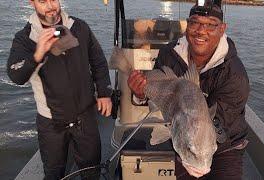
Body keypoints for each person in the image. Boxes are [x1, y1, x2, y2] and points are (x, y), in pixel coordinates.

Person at [127, 0, 250, 179]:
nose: (201, 30)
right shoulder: (169, 53)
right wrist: (139, 94)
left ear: (222, 29)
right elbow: (160, 95)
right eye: (195, 23)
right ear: (187, 26)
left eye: (210, 25)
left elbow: (217, 127)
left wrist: (193, 147)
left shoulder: (235, 75)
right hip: (185, 140)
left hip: (227, 145)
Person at [7, 0, 112, 179]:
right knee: (53, 172)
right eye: (42, 1)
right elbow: (15, 75)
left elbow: (98, 61)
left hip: (85, 116)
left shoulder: (80, 27)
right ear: (31, 2)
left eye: (53, 0)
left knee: (91, 171)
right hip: (50, 123)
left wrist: (104, 93)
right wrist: (38, 54)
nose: (50, 6)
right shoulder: (25, 38)